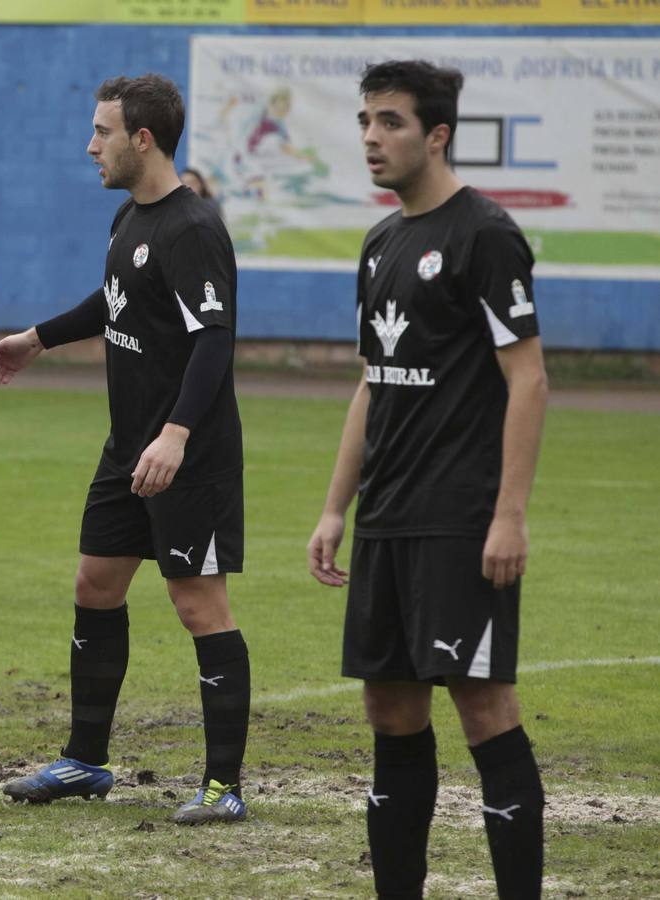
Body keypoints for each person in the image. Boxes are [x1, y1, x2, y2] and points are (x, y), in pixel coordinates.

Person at [0, 74, 251, 825]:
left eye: (101, 132)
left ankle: (224, 788)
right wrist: (37, 338)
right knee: (95, 585)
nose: (88, 145)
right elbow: (116, 301)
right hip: (127, 444)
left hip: (184, 453)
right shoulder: (130, 218)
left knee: (198, 604)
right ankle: (86, 762)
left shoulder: (192, 227)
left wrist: (176, 434)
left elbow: (213, 340)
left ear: (142, 139)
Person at [307, 60, 547, 899]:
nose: (372, 137)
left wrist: (508, 517)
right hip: (388, 520)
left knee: (483, 706)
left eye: (392, 122)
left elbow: (529, 380)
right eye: (366, 120)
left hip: (459, 519)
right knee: (390, 710)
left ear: (436, 134)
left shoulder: (485, 235)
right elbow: (373, 383)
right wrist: (337, 507)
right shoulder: (380, 244)